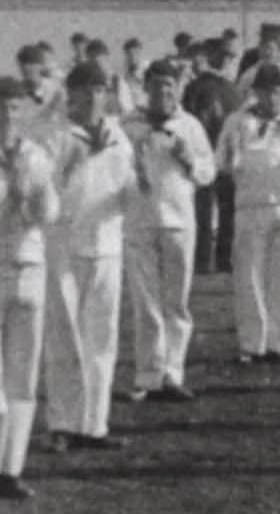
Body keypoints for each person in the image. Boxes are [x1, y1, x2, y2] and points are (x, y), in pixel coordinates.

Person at [42, 62, 135, 452]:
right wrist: (71, 171)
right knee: (64, 337)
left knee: (102, 338)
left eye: (100, 90)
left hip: (107, 246)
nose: (94, 98)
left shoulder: (119, 137)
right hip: (67, 244)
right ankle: (63, 422)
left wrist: (138, 186)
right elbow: (44, 194)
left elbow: (127, 188)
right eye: (85, 91)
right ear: (72, 96)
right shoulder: (57, 138)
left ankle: (94, 424)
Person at [121, 59, 216, 402]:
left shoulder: (189, 126)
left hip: (179, 221)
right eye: (157, 85)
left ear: (177, 89)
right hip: (140, 221)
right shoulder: (128, 125)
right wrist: (136, 169)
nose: (163, 91)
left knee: (176, 302)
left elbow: (209, 173)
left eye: (169, 85)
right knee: (146, 303)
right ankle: (148, 376)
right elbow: (115, 173)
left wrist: (189, 159)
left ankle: (172, 374)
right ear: (145, 88)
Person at [215, 64, 280, 365]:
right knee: (249, 277)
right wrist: (232, 161)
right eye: (263, 91)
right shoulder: (237, 121)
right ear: (254, 92)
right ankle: (252, 344)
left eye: (275, 90)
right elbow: (221, 161)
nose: (269, 97)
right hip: (250, 206)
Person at [0, 77, 59, 500]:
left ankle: (10, 468)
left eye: (14, 108)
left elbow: (50, 212)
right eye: (0, 108)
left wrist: (33, 197)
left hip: (30, 269)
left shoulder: (36, 156)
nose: (6, 117)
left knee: (23, 376)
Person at [183, 38, 243, 275]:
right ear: (212, 55)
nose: (227, 60)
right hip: (205, 150)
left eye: (230, 57)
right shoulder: (199, 87)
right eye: (223, 55)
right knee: (204, 207)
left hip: (224, 150)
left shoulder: (231, 87)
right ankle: (204, 258)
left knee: (225, 207)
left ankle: (221, 258)